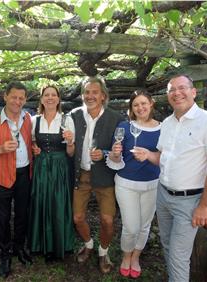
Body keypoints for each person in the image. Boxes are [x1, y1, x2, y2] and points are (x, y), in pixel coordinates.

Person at [133, 74, 207, 282]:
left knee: (178, 255)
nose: (177, 93)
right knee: (167, 244)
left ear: (193, 92)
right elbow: (163, 157)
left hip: (189, 202)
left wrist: (205, 206)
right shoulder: (167, 123)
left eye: (182, 88)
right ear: (168, 96)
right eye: (172, 89)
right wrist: (148, 155)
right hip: (163, 195)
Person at [0, 81, 33, 278]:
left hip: (24, 174)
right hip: (1, 175)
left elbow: (32, 143)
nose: (17, 101)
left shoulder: (29, 119)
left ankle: (19, 247)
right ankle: (4, 254)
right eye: (14, 97)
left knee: (22, 214)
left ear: (25, 100)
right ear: (5, 97)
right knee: (2, 218)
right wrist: (1, 149)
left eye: (21, 98)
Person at [70, 76, 124, 274]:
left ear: (103, 96)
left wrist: (106, 153)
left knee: (108, 220)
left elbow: (122, 150)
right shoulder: (74, 115)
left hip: (105, 177)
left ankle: (103, 251)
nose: (90, 96)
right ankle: (89, 244)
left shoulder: (116, 118)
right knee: (77, 217)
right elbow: (66, 143)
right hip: (81, 175)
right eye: (87, 92)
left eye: (95, 92)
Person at [107, 90, 160, 278]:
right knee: (131, 226)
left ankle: (136, 256)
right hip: (126, 184)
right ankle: (126, 255)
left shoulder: (163, 128)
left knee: (145, 226)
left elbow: (168, 157)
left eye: (144, 103)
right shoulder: (124, 127)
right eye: (136, 105)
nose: (140, 107)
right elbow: (115, 157)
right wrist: (114, 153)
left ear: (151, 104)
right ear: (132, 108)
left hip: (152, 184)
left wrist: (149, 155)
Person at [28, 85, 75, 262]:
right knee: (40, 201)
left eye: (53, 95)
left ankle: (58, 244)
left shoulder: (66, 120)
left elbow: (71, 152)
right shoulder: (34, 121)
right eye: (46, 95)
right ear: (41, 99)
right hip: (41, 167)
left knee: (58, 202)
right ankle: (40, 244)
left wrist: (70, 142)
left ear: (58, 99)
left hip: (59, 167)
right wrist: (34, 149)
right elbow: (32, 143)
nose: (50, 98)